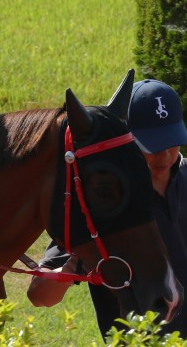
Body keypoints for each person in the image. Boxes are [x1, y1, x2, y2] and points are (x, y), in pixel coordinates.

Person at [27, 78, 187, 337]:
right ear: (124, 142)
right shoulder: (100, 202)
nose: (166, 155)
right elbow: (40, 296)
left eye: (172, 142)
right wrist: (73, 264)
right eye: (154, 146)